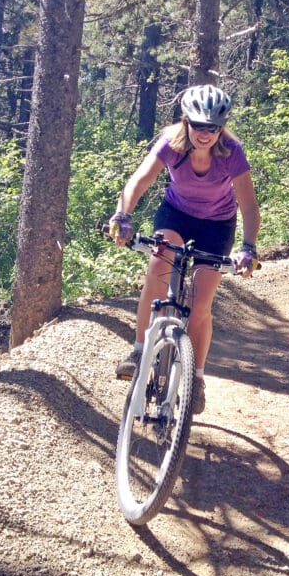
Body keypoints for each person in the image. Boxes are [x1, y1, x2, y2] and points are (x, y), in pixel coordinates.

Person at [107, 84, 260, 414]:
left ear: (221, 128)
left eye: (213, 127)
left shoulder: (232, 151)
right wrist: (122, 215)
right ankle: (138, 350)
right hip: (176, 215)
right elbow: (138, 181)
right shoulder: (171, 143)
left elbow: (248, 205)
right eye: (198, 125)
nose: (205, 134)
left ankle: (197, 377)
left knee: (201, 301)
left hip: (218, 224)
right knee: (159, 268)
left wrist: (249, 247)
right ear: (185, 121)